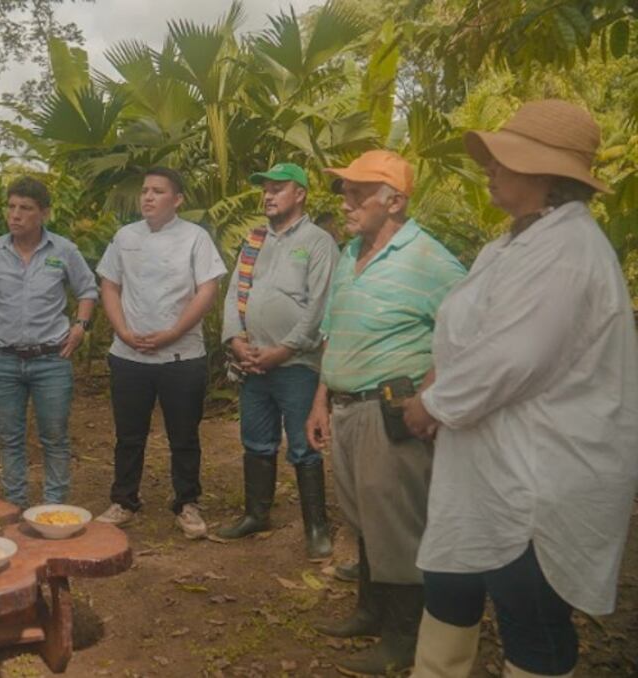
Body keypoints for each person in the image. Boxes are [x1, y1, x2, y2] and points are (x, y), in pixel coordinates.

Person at [402, 101, 638, 678]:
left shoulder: (567, 251)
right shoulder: (508, 246)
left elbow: (513, 356)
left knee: (528, 612)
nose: (490, 168)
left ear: (542, 173)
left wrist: (431, 404)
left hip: (540, 472)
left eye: (503, 159)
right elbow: (471, 337)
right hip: (487, 464)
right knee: (449, 584)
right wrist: (438, 378)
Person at [304, 150, 467, 675]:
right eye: (344, 191)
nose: (346, 203)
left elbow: (468, 334)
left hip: (390, 409)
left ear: (394, 201)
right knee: (365, 521)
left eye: (358, 193)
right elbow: (335, 335)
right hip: (349, 409)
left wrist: (430, 396)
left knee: (397, 525)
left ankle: (403, 640)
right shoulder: (351, 253)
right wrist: (321, 400)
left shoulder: (431, 260)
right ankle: (370, 612)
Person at [93, 167, 227, 539]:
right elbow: (109, 285)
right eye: (145, 190)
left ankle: (187, 503)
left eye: (158, 191)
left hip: (181, 356)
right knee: (129, 434)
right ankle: (124, 500)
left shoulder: (195, 238)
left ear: (178, 199)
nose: (147, 197)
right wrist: (122, 331)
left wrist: (172, 333)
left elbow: (207, 290)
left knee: (183, 435)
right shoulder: (125, 237)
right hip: (129, 355)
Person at [217, 163, 338, 559]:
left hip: (296, 364)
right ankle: (256, 514)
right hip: (253, 362)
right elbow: (235, 290)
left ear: (300, 193)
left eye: (278, 188)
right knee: (256, 439)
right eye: (265, 189)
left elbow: (319, 306)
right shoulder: (255, 240)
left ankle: (317, 528)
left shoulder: (319, 242)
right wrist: (235, 339)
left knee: (304, 445)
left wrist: (284, 349)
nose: (268, 195)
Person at [0, 177, 98, 509]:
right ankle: (15, 507)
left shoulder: (64, 251)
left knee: (54, 438)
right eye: (11, 207)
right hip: (3, 360)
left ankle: (53, 508)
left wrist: (80, 326)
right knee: (9, 439)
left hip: (51, 360)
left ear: (43, 213)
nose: (15, 215)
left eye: (25, 208)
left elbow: (87, 289)